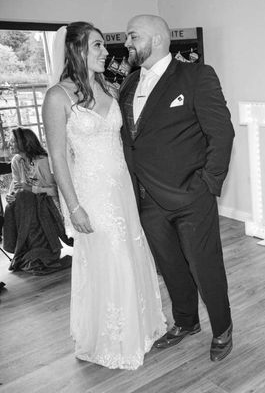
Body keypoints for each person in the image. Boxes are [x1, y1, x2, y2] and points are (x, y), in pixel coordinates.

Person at [42, 21, 166, 370]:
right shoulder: (58, 97)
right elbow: (58, 158)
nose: (105, 52)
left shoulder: (110, 89)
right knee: (111, 260)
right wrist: (74, 207)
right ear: (76, 50)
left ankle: (138, 330)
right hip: (91, 195)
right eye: (96, 46)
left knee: (129, 253)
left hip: (122, 189)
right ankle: (114, 340)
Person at [119, 14, 235, 362]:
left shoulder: (197, 76)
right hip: (146, 199)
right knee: (169, 266)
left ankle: (222, 328)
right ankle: (186, 322)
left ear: (155, 39)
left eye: (132, 36)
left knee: (205, 265)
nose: (126, 42)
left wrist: (207, 185)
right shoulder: (128, 83)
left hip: (190, 196)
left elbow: (222, 133)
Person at [2, 127, 71, 275]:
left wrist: (32, 189)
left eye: (13, 141)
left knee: (26, 198)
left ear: (24, 142)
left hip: (46, 202)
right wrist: (11, 195)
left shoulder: (42, 160)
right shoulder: (16, 161)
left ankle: (40, 251)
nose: (10, 143)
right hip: (26, 202)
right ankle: (26, 250)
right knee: (16, 201)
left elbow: (55, 190)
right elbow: (15, 185)